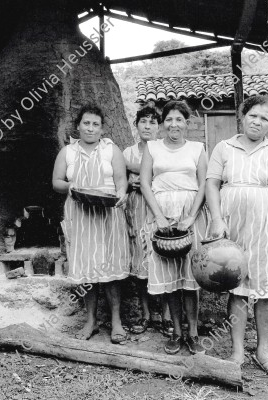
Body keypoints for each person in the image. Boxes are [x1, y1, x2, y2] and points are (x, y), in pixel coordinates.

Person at [206, 95, 268, 377]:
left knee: (266, 289)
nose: (257, 122)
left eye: (265, 119)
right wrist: (216, 218)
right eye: (253, 115)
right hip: (232, 225)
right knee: (236, 285)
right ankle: (237, 351)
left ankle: (263, 351)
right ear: (242, 115)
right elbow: (212, 184)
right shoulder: (224, 148)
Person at [52, 104, 130, 344]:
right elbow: (56, 182)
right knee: (87, 268)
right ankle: (91, 321)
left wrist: (122, 195)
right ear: (78, 125)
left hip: (108, 213)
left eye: (95, 124)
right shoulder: (68, 152)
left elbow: (121, 181)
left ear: (102, 128)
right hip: (80, 214)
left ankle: (116, 321)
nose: (90, 128)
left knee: (111, 268)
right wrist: (71, 187)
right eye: (86, 123)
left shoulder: (111, 149)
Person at [140, 100, 208, 355]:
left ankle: (193, 333)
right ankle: (176, 332)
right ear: (162, 123)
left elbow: (204, 183)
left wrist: (191, 216)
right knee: (170, 276)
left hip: (190, 213)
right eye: (169, 119)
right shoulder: (153, 147)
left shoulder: (197, 148)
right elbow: (146, 183)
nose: (174, 124)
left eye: (179, 119)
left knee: (190, 275)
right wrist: (158, 216)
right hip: (162, 213)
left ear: (187, 123)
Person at [122, 106, 167, 334]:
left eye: (152, 122)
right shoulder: (128, 153)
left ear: (159, 127)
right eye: (143, 121)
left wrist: (148, 177)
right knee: (141, 261)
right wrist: (130, 183)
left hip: (159, 209)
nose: (147, 126)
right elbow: (119, 178)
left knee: (164, 258)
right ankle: (146, 314)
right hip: (136, 209)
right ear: (136, 125)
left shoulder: (164, 150)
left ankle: (167, 316)